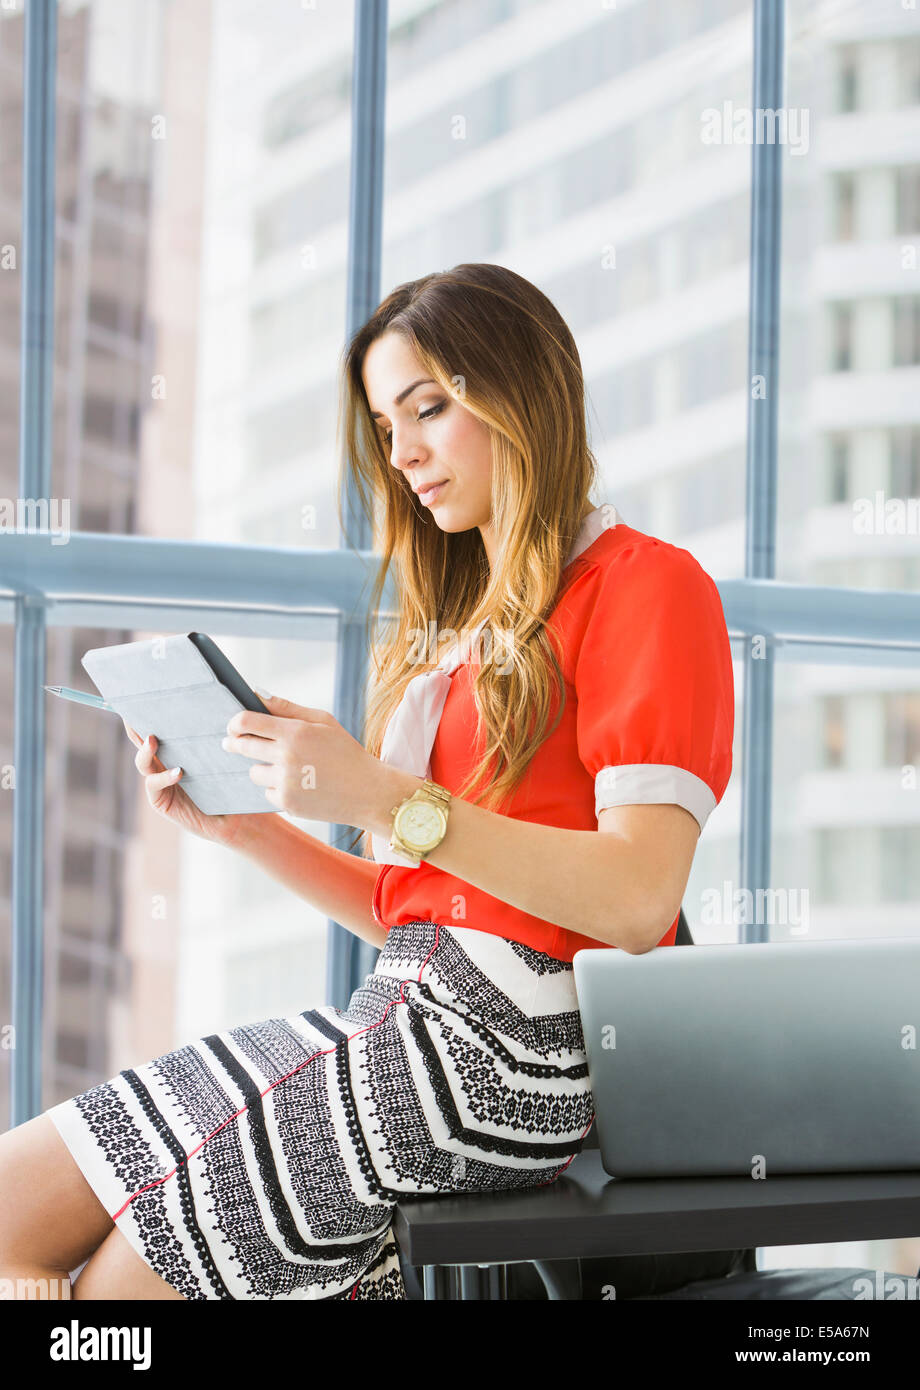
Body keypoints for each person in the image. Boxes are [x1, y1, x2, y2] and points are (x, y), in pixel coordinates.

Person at [0, 262, 734, 1300]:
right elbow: (413, 905)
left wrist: (380, 797)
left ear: (522, 390)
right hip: (399, 1006)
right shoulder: (462, 637)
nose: (403, 455)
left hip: (509, 1051)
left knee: (122, 1291)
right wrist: (250, 828)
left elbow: (634, 897)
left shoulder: (646, 586)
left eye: (428, 409)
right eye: (388, 426)